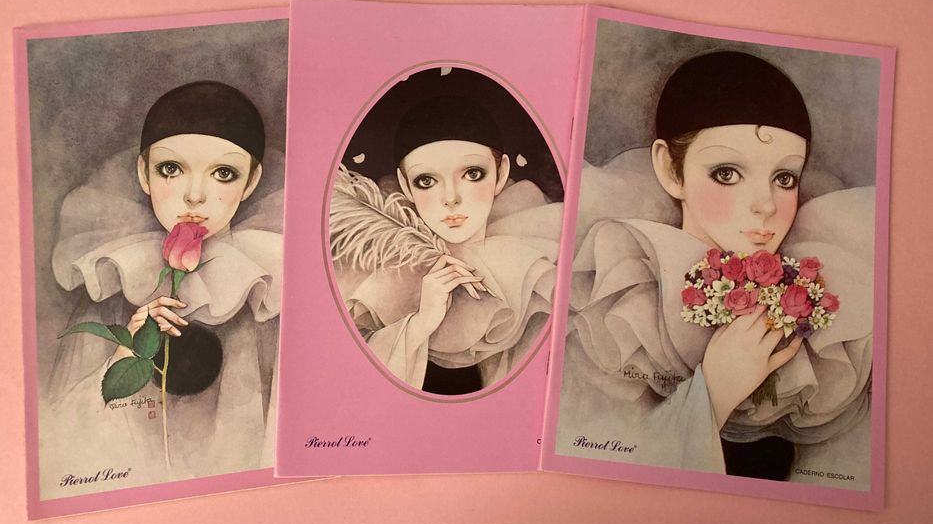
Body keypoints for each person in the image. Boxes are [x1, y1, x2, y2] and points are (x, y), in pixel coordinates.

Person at [558, 52, 873, 485]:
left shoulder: (822, 314)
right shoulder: (616, 309)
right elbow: (597, 473)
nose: (765, 205)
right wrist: (715, 392)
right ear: (671, 169)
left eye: (784, 178)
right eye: (727, 173)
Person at [42, 81, 283, 496]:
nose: (195, 195)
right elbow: (64, 446)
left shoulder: (267, 289)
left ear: (251, 181)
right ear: (144, 173)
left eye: (223, 174)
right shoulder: (115, 280)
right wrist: (124, 356)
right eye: (171, 169)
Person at [332, 79, 562, 396]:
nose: (451, 198)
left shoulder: (537, 264)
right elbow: (350, 390)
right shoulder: (380, 273)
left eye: (472, 174)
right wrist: (421, 323)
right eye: (426, 180)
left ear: (501, 174)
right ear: (405, 185)